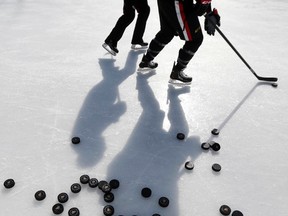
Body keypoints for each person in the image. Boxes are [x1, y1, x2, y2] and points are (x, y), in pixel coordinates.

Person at [138, 0, 220, 85]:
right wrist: (205, 6)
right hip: (177, 3)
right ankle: (177, 71)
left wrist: (208, 11)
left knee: (167, 32)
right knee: (195, 39)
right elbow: (199, 10)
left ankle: (146, 61)